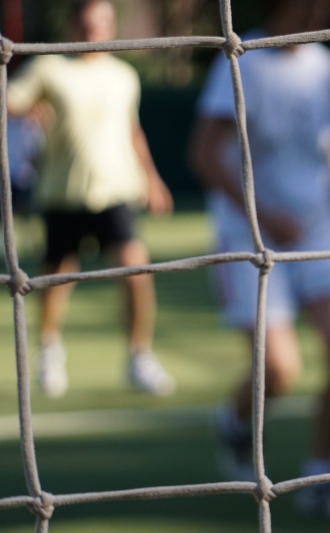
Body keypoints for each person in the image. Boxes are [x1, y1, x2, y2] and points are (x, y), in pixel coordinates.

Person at [188, 0, 330, 525]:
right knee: (280, 370)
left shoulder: (325, 65)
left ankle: (322, 477)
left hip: (319, 227)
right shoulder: (242, 60)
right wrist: (264, 214)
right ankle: (233, 420)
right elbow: (204, 155)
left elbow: (322, 146)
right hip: (250, 233)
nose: (317, 12)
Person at [6, 0, 176, 398]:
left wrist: (152, 179)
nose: (93, 30)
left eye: (101, 23)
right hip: (62, 192)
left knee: (136, 269)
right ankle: (49, 351)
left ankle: (139, 356)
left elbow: (133, 131)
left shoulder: (124, 76)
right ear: (73, 25)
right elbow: (11, 102)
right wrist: (26, 110)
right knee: (57, 277)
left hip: (115, 191)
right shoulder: (49, 68)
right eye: (86, 23)